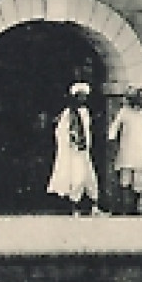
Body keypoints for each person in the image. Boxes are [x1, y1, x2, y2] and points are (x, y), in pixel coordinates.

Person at [46, 82, 101, 216]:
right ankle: (75, 207)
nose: (83, 99)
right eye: (80, 96)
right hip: (74, 151)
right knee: (78, 178)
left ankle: (94, 206)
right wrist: (71, 139)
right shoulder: (68, 113)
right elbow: (61, 131)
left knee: (91, 178)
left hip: (84, 151)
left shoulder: (85, 112)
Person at [107, 86, 142, 215]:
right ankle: (124, 207)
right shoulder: (124, 112)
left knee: (138, 180)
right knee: (125, 179)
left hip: (141, 150)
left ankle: (134, 208)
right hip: (126, 149)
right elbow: (114, 128)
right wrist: (112, 141)